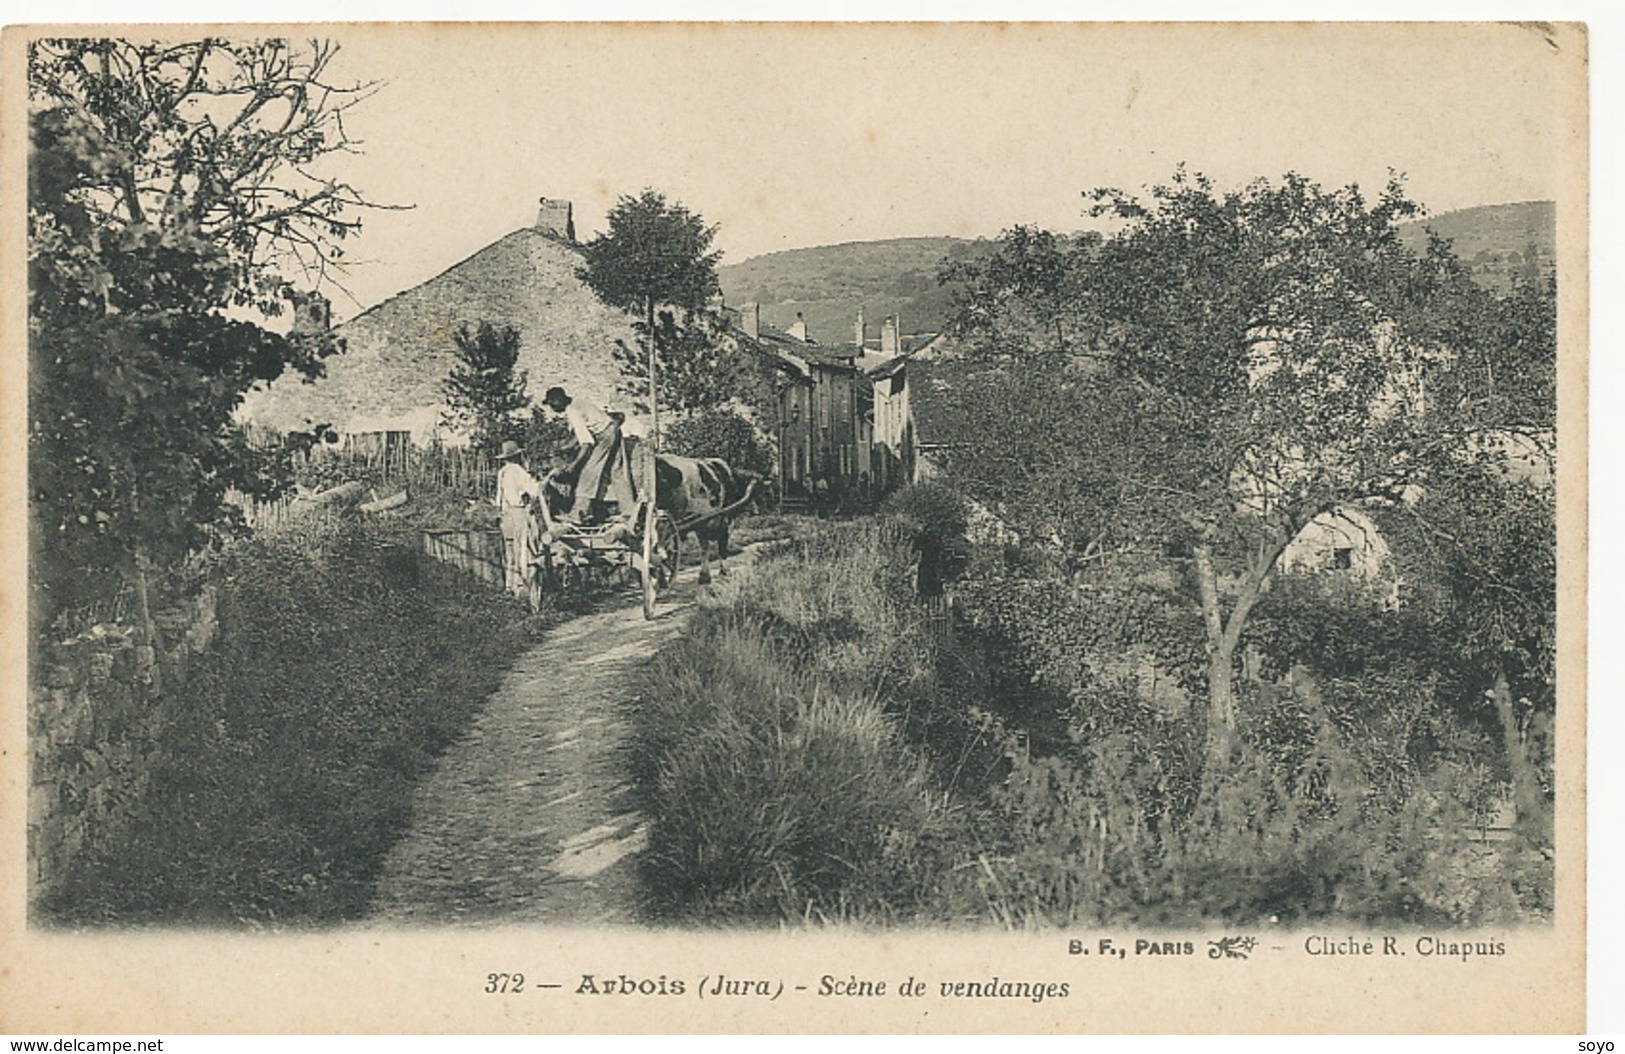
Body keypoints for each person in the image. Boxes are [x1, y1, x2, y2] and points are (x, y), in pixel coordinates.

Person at [542, 386, 635, 522]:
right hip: (612, 429)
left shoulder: (573, 412)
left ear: (558, 400)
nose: (552, 408)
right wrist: (567, 446)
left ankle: (579, 512)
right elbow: (584, 431)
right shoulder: (578, 402)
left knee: (589, 472)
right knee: (616, 472)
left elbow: (587, 444)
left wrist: (574, 464)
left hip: (604, 436)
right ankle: (628, 511)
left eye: (552, 404)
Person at [492, 439, 540, 597]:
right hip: (518, 511)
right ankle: (521, 586)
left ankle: (509, 586)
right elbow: (534, 491)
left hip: (506, 514)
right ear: (517, 456)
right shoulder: (519, 472)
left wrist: (499, 513)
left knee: (510, 551)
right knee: (523, 550)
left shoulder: (502, 472)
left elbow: (499, 497)